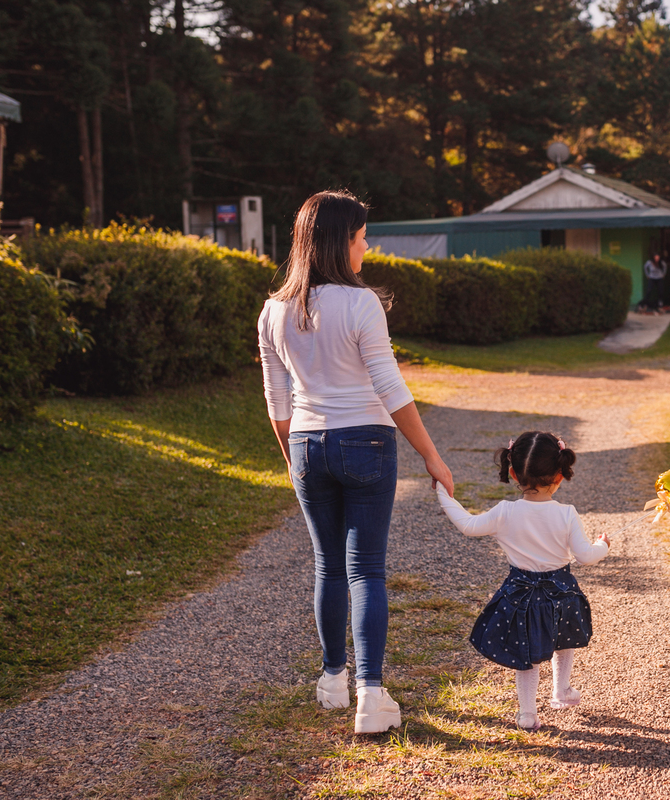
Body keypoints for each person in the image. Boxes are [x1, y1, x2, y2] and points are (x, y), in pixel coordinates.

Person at [258, 190, 454, 734]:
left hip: (306, 445)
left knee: (328, 565)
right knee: (365, 568)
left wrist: (293, 459)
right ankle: (370, 694)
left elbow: (277, 403)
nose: (367, 246)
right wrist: (432, 458)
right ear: (340, 242)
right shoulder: (361, 303)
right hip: (366, 441)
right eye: (362, 237)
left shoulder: (273, 311)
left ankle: (331, 680)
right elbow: (390, 387)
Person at [434, 432, 610, 731]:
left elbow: (467, 525)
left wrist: (443, 493)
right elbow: (584, 556)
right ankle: (561, 690)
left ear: (513, 472)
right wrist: (603, 545)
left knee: (525, 652)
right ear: (560, 475)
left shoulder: (505, 512)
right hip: (561, 592)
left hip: (520, 594)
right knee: (563, 639)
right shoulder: (566, 514)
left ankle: (527, 714)